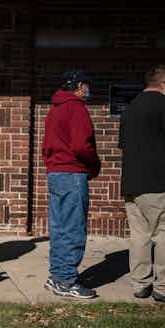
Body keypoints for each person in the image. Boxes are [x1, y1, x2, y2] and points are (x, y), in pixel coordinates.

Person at [119, 65, 165, 305]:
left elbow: (125, 147)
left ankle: (141, 284)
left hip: (133, 185)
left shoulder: (130, 109)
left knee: (140, 236)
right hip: (163, 184)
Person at [42, 69, 101, 299]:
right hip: (72, 173)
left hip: (55, 173)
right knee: (73, 229)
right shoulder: (76, 108)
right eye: (87, 85)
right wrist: (94, 165)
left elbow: (48, 146)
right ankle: (66, 280)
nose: (88, 89)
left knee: (59, 228)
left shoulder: (55, 109)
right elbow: (80, 146)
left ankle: (57, 276)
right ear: (78, 86)